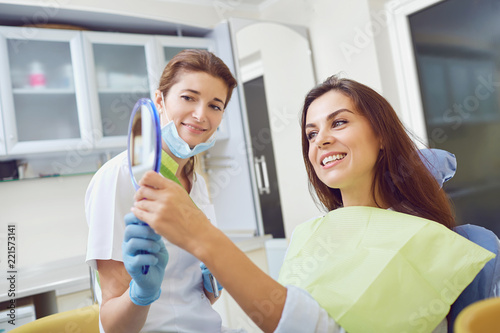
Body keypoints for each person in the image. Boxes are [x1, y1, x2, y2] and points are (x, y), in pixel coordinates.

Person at [130, 75, 494, 333]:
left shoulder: (426, 242)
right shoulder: (309, 235)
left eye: (339, 122)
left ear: (381, 135)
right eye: (311, 134)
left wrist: (203, 239)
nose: (322, 141)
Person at [85, 49, 237, 333]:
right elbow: (112, 323)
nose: (200, 114)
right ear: (159, 100)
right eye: (189, 97)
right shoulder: (118, 176)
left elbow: (196, 297)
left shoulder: (198, 183)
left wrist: (214, 281)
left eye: (215, 106)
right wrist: (141, 294)